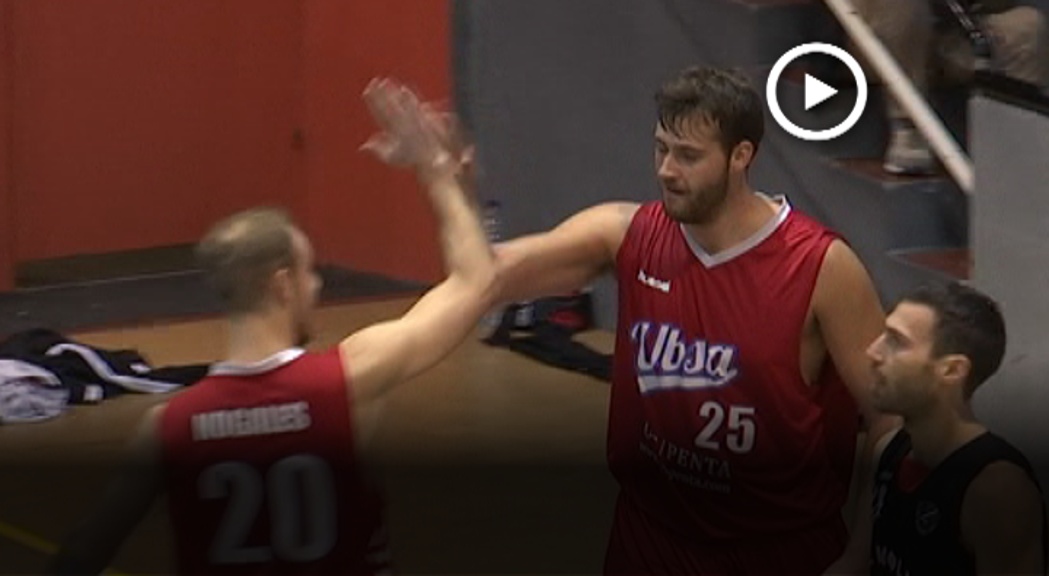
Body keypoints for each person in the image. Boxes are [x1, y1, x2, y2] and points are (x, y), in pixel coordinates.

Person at [403, 65, 899, 574]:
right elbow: (485, 277)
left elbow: (892, 416)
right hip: (648, 544)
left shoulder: (822, 267)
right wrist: (450, 188)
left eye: (688, 155)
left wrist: (860, 552)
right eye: (661, 148)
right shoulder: (626, 235)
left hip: (776, 551)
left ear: (741, 157)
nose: (666, 169)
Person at [48, 78, 493, 575]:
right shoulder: (349, 383)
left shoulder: (170, 428)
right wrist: (435, 170)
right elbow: (474, 281)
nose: (316, 287)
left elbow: (85, 549)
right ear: (283, 284)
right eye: (309, 273)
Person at [828, 282, 1046, 575]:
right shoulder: (889, 450)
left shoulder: (997, 489)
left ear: (952, 370)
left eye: (896, 341)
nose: (873, 352)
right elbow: (854, 565)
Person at [849, 0, 1049, 175]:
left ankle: (1017, 148)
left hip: (953, 31)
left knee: (1028, 26)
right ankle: (910, 127)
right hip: (872, 38)